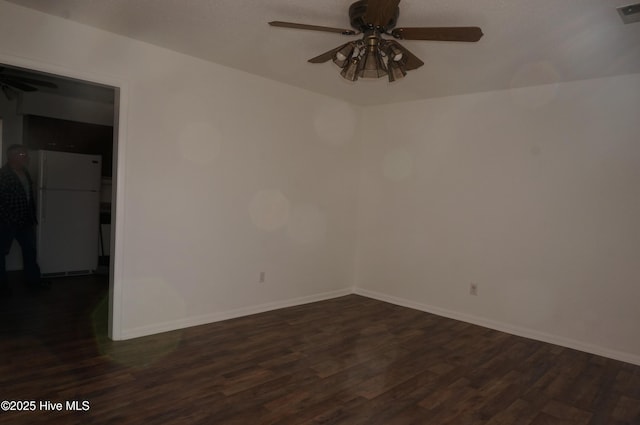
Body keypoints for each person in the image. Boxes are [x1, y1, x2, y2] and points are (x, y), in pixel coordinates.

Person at [0, 144, 48, 295]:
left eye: (26, 155)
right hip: (7, 223)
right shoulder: (3, 175)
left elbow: (28, 197)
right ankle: (2, 287)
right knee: (1, 254)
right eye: (23, 155)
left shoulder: (25, 172)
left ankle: (34, 281)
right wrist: (10, 218)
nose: (27, 157)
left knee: (30, 251)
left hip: (26, 221)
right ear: (12, 157)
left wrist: (31, 217)